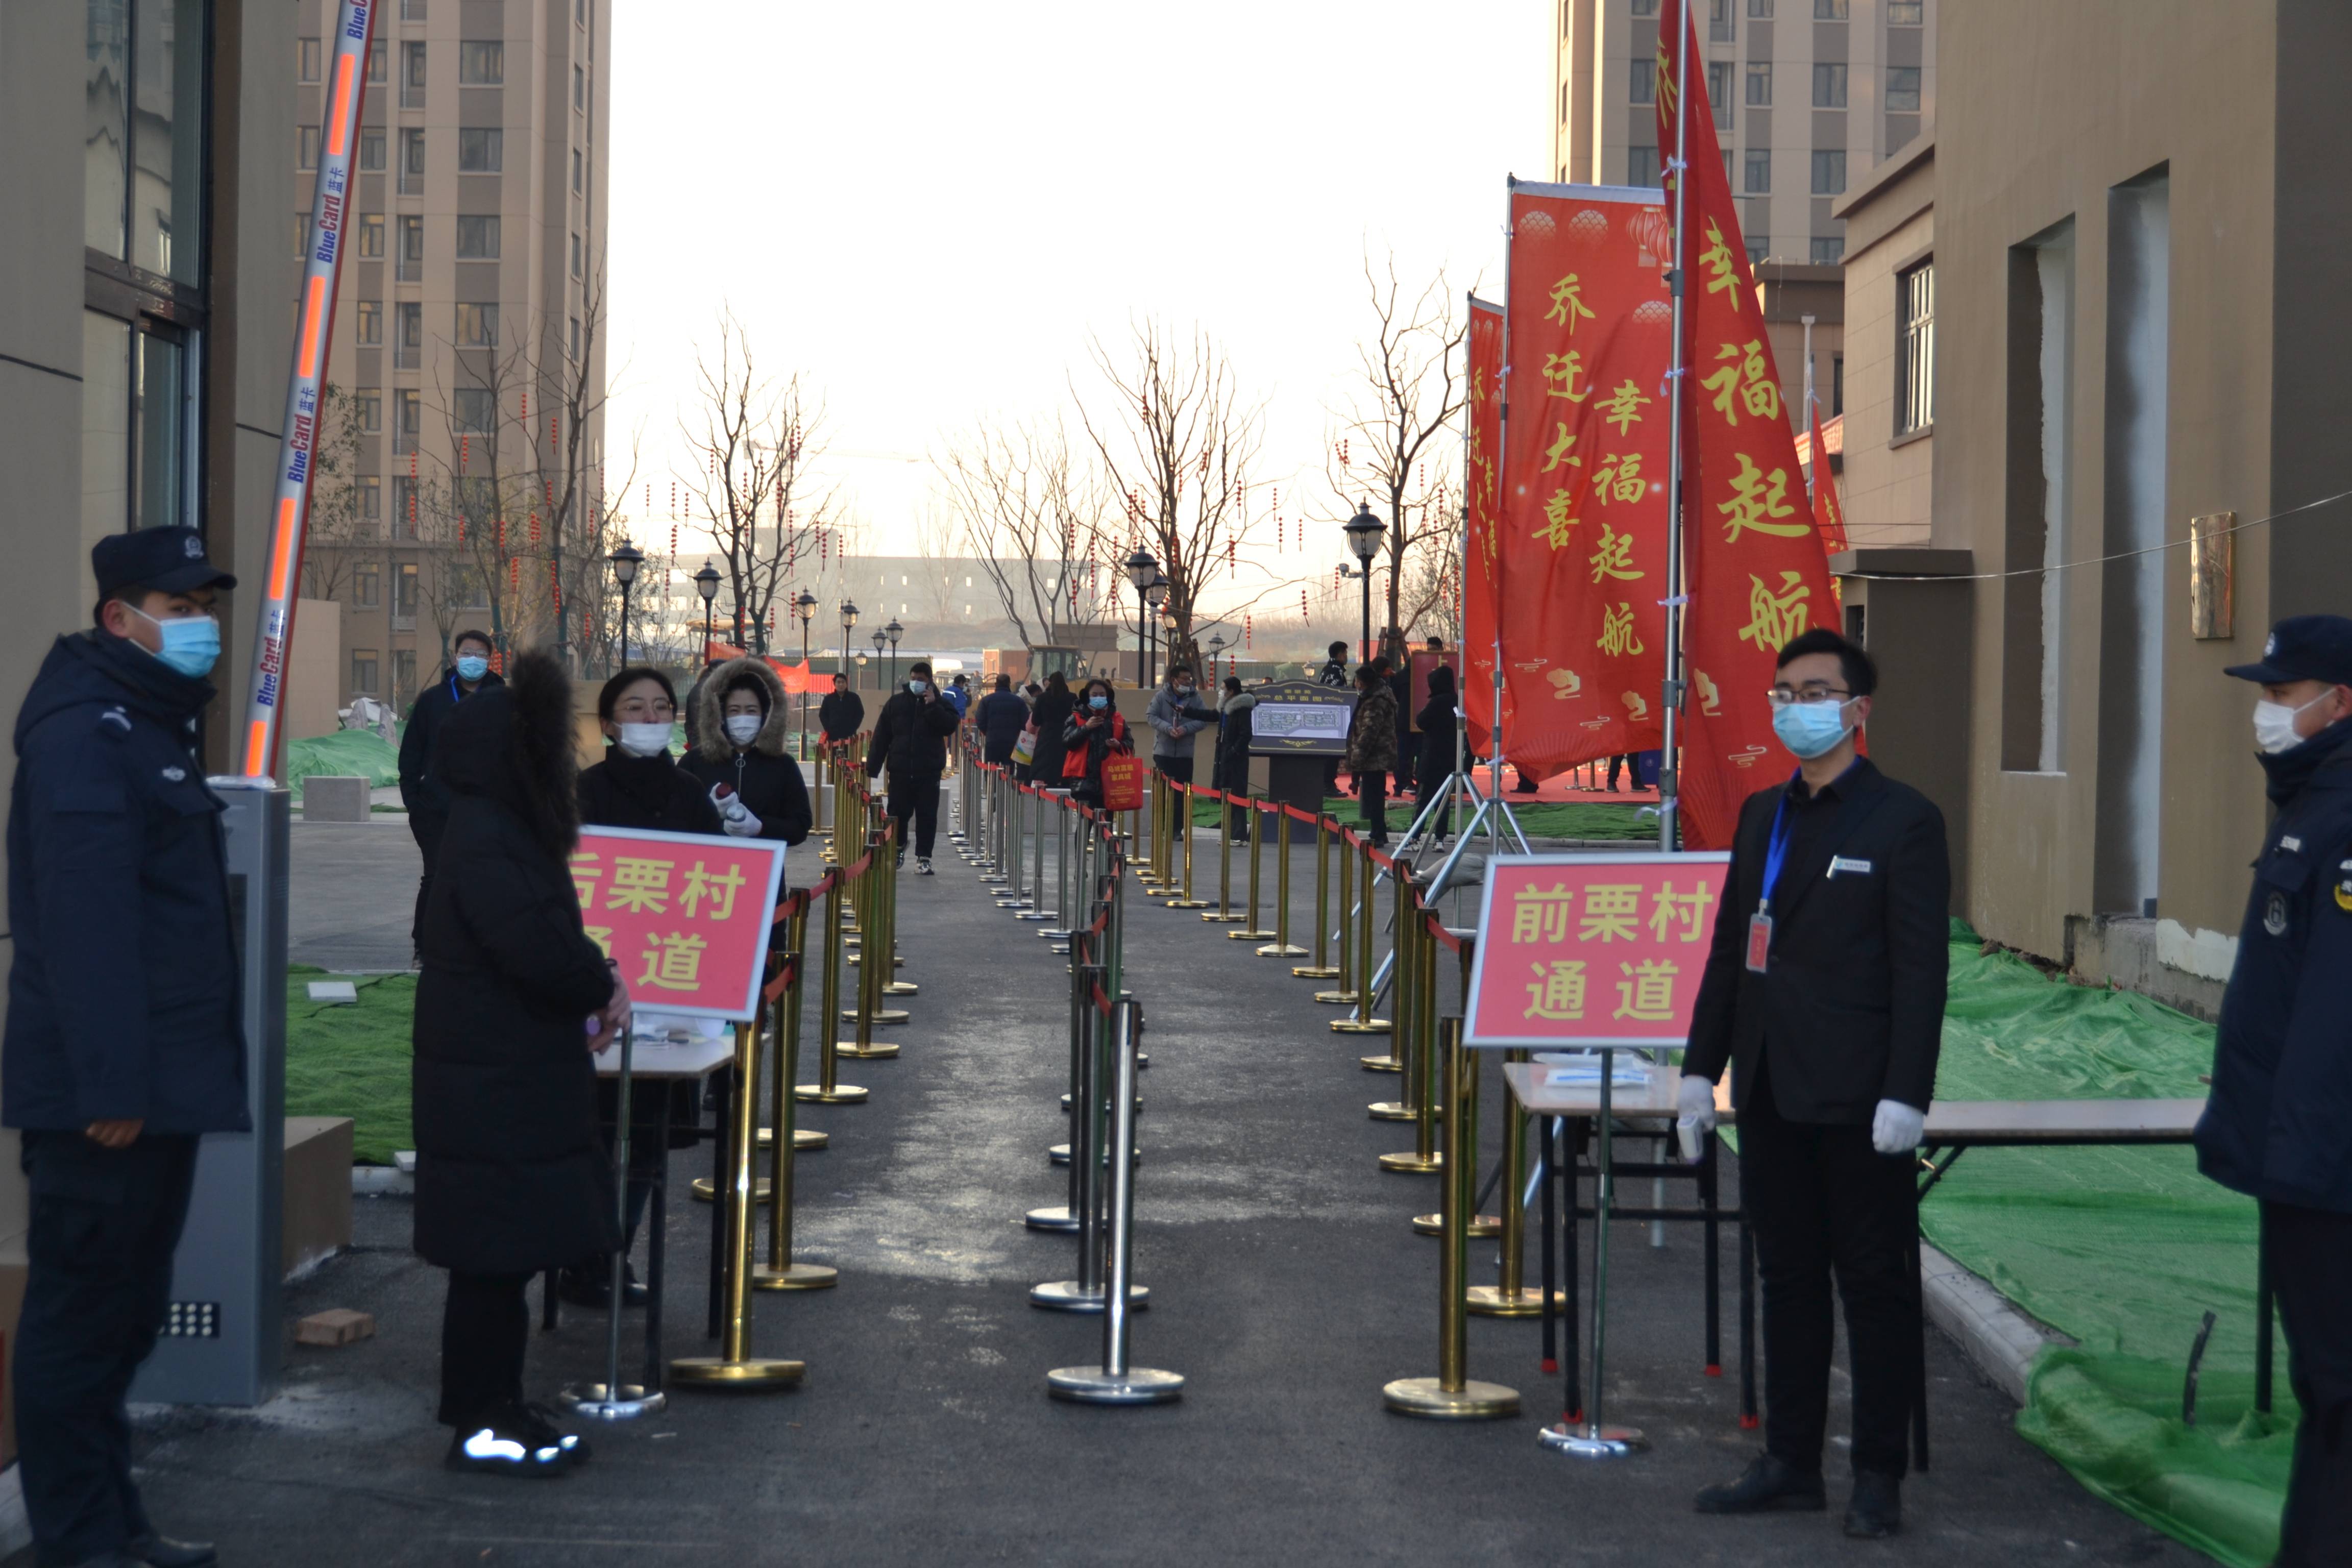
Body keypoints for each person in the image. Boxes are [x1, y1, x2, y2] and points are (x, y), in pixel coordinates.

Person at [1677, 627, 1949, 1540]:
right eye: (1785, 690)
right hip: (1766, 1090)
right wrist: (1695, 1071)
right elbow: (1729, 954)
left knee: (1872, 1285)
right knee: (1785, 1279)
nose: (1797, 705)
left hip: (1858, 1098)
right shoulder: (1764, 814)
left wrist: (1907, 1091)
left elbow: (1919, 971)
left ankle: (1877, 1475)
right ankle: (1790, 1462)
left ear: (1857, 709)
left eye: (1816, 690)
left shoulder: (1902, 819)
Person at [6, 528, 242, 1568]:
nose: (204, 627)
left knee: (121, 1319)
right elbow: (84, 928)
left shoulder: (140, 723)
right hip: (108, 1098)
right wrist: (111, 1086)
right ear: (121, 618)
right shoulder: (88, 736)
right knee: (80, 1321)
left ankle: (113, 1528)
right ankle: (78, 1541)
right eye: (182, 607)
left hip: (152, 1083)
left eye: (206, 607)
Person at [412, 650, 621, 1479]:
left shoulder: (492, 825)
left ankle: (496, 1404)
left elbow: (545, 934)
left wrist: (592, 975)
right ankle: (481, 1418)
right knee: (492, 1261)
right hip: (492, 1080)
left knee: (501, 1257)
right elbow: (535, 943)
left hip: (500, 1071)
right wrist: (597, 982)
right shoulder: (491, 833)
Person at [2193, 614, 2352, 1565]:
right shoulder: (2309, 801)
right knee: (2326, 1389)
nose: (2263, 711)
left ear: (2340, 703)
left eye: (2280, 695)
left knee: (2337, 1389)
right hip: (2300, 1161)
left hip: (2324, 1170)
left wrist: (2292, 1161)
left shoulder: (2339, 817)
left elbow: (2334, 1018)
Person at [565, 668, 720, 1308]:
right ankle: (581, 1256)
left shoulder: (692, 796)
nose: (651, 718)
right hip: (595, 995)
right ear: (607, 723)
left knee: (650, 1134)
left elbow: (719, 892)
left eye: (661, 708)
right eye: (636, 707)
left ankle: (610, 1251)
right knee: (590, 1131)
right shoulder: (582, 794)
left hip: (672, 998)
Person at [399, 629, 503, 954]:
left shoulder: (504, 702)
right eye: (467, 653)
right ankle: (424, 947)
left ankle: (477, 947)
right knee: (436, 878)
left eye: (481, 655)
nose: (473, 660)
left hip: (488, 812)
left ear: (490, 660)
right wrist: (415, 804)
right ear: (456, 657)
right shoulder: (433, 701)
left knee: (485, 879)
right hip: (436, 811)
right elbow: (411, 757)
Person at [680, 656, 814, 849]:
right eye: (734, 711)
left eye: (751, 711)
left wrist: (761, 827)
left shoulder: (782, 765)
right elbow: (672, 819)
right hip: (706, 872)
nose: (743, 717)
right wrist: (707, 813)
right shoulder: (695, 761)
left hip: (764, 873)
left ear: (765, 715)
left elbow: (800, 826)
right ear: (721, 715)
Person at [865, 659, 960, 873]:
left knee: (927, 816)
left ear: (930, 681)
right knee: (897, 814)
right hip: (900, 770)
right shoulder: (896, 703)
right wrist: (873, 767)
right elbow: (882, 736)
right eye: (913, 679)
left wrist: (932, 705)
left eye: (921, 680)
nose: (916, 682)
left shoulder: (941, 703)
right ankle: (898, 848)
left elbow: (949, 727)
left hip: (929, 771)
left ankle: (924, 857)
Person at [1343, 664, 1398, 849]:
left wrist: (1357, 755)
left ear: (1364, 682)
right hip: (1375, 755)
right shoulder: (1373, 696)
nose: (1356, 684)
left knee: (1374, 796)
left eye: (1357, 681)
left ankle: (1378, 834)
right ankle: (1378, 831)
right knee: (1374, 796)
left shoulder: (1376, 700)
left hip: (1375, 756)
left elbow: (1370, 731)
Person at [1060, 677, 1132, 806]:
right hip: (1083, 781)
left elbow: (1130, 745)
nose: (1098, 698)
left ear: (1108, 697)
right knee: (1085, 823)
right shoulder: (1076, 717)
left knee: (1106, 823)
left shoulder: (1117, 719)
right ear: (1087, 697)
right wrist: (1086, 728)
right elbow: (1067, 742)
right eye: (1094, 695)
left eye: (1102, 695)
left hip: (1110, 781)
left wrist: (1118, 745)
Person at [1145, 664, 1214, 786]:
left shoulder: (1195, 698)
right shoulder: (1161, 696)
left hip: (1185, 755)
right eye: (1185, 679)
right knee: (1163, 791)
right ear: (1174, 680)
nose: (1188, 682)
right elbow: (1151, 716)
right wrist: (1168, 729)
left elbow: (1204, 720)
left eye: (1190, 679)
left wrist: (1186, 729)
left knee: (1182, 793)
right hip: (1163, 753)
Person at [1414, 664, 1459, 841]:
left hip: (1431, 756)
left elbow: (1421, 721)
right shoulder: (1457, 701)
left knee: (1424, 800)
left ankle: (1415, 836)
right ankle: (1440, 838)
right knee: (1444, 802)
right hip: (1450, 757)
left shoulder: (1436, 702)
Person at [1215, 675, 1257, 844]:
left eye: (1223, 688)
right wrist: (1186, 711)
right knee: (1229, 795)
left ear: (1231, 691)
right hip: (1226, 758)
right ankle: (1232, 832)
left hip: (1236, 759)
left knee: (1238, 795)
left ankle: (1239, 834)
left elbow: (1246, 734)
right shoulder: (1227, 709)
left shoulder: (1242, 709)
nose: (1221, 691)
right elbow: (1210, 715)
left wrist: (1233, 751)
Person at [1028, 670, 1076, 789]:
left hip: (1047, 736)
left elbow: (1035, 721)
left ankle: (1049, 786)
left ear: (1050, 682)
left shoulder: (1043, 698)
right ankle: (1065, 786)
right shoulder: (1072, 698)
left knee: (1046, 764)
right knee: (1064, 763)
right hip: (1067, 735)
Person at [974, 673, 1030, 769]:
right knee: (1009, 770)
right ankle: (1008, 784)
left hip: (992, 740)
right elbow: (1025, 722)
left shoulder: (986, 701)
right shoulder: (1019, 701)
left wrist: (988, 732)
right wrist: (1017, 734)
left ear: (996, 684)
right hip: (1011, 741)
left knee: (992, 769)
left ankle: (992, 784)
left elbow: (980, 720)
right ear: (1009, 684)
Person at [818, 672, 864, 745]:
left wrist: (853, 728)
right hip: (833, 737)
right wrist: (829, 728)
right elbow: (822, 715)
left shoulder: (854, 698)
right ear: (834, 684)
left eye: (843, 682)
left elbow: (860, 713)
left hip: (849, 736)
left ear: (846, 684)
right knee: (834, 755)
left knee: (849, 755)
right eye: (838, 682)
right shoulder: (829, 699)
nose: (841, 685)